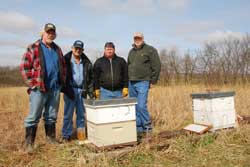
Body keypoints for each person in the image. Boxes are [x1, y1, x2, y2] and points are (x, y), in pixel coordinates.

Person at [20, 23, 66, 152]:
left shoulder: (57, 49)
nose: (50, 34)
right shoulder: (34, 47)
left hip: (55, 88)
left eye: (52, 33)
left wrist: (61, 82)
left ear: (55, 35)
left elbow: (63, 66)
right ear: (43, 33)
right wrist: (32, 84)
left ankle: (50, 140)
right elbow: (24, 67)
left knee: (51, 116)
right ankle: (29, 144)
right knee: (34, 116)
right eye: (48, 32)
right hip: (39, 88)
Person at [127, 32, 161, 134]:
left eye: (139, 38)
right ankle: (139, 129)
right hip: (131, 82)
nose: (137, 40)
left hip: (143, 81)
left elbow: (157, 66)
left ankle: (147, 128)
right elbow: (128, 65)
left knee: (141, 106)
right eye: (135, 38)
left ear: (142, 38)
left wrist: (153, 81)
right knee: (135, 107)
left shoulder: (150, 50)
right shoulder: (131, 51)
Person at [61, 40, 94, 142]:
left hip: (82, 90)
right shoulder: (65, 60)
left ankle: (81, 135)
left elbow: (90, 79)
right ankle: (66, 136)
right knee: (68, 114)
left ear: (82, 50)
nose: (77, 50)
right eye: (76, 48)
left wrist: (91, 93)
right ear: (72, 48)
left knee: (81, 114)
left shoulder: (87, 62)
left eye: (80, 49)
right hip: (70, 89)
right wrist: (65, 89)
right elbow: (61, 76)